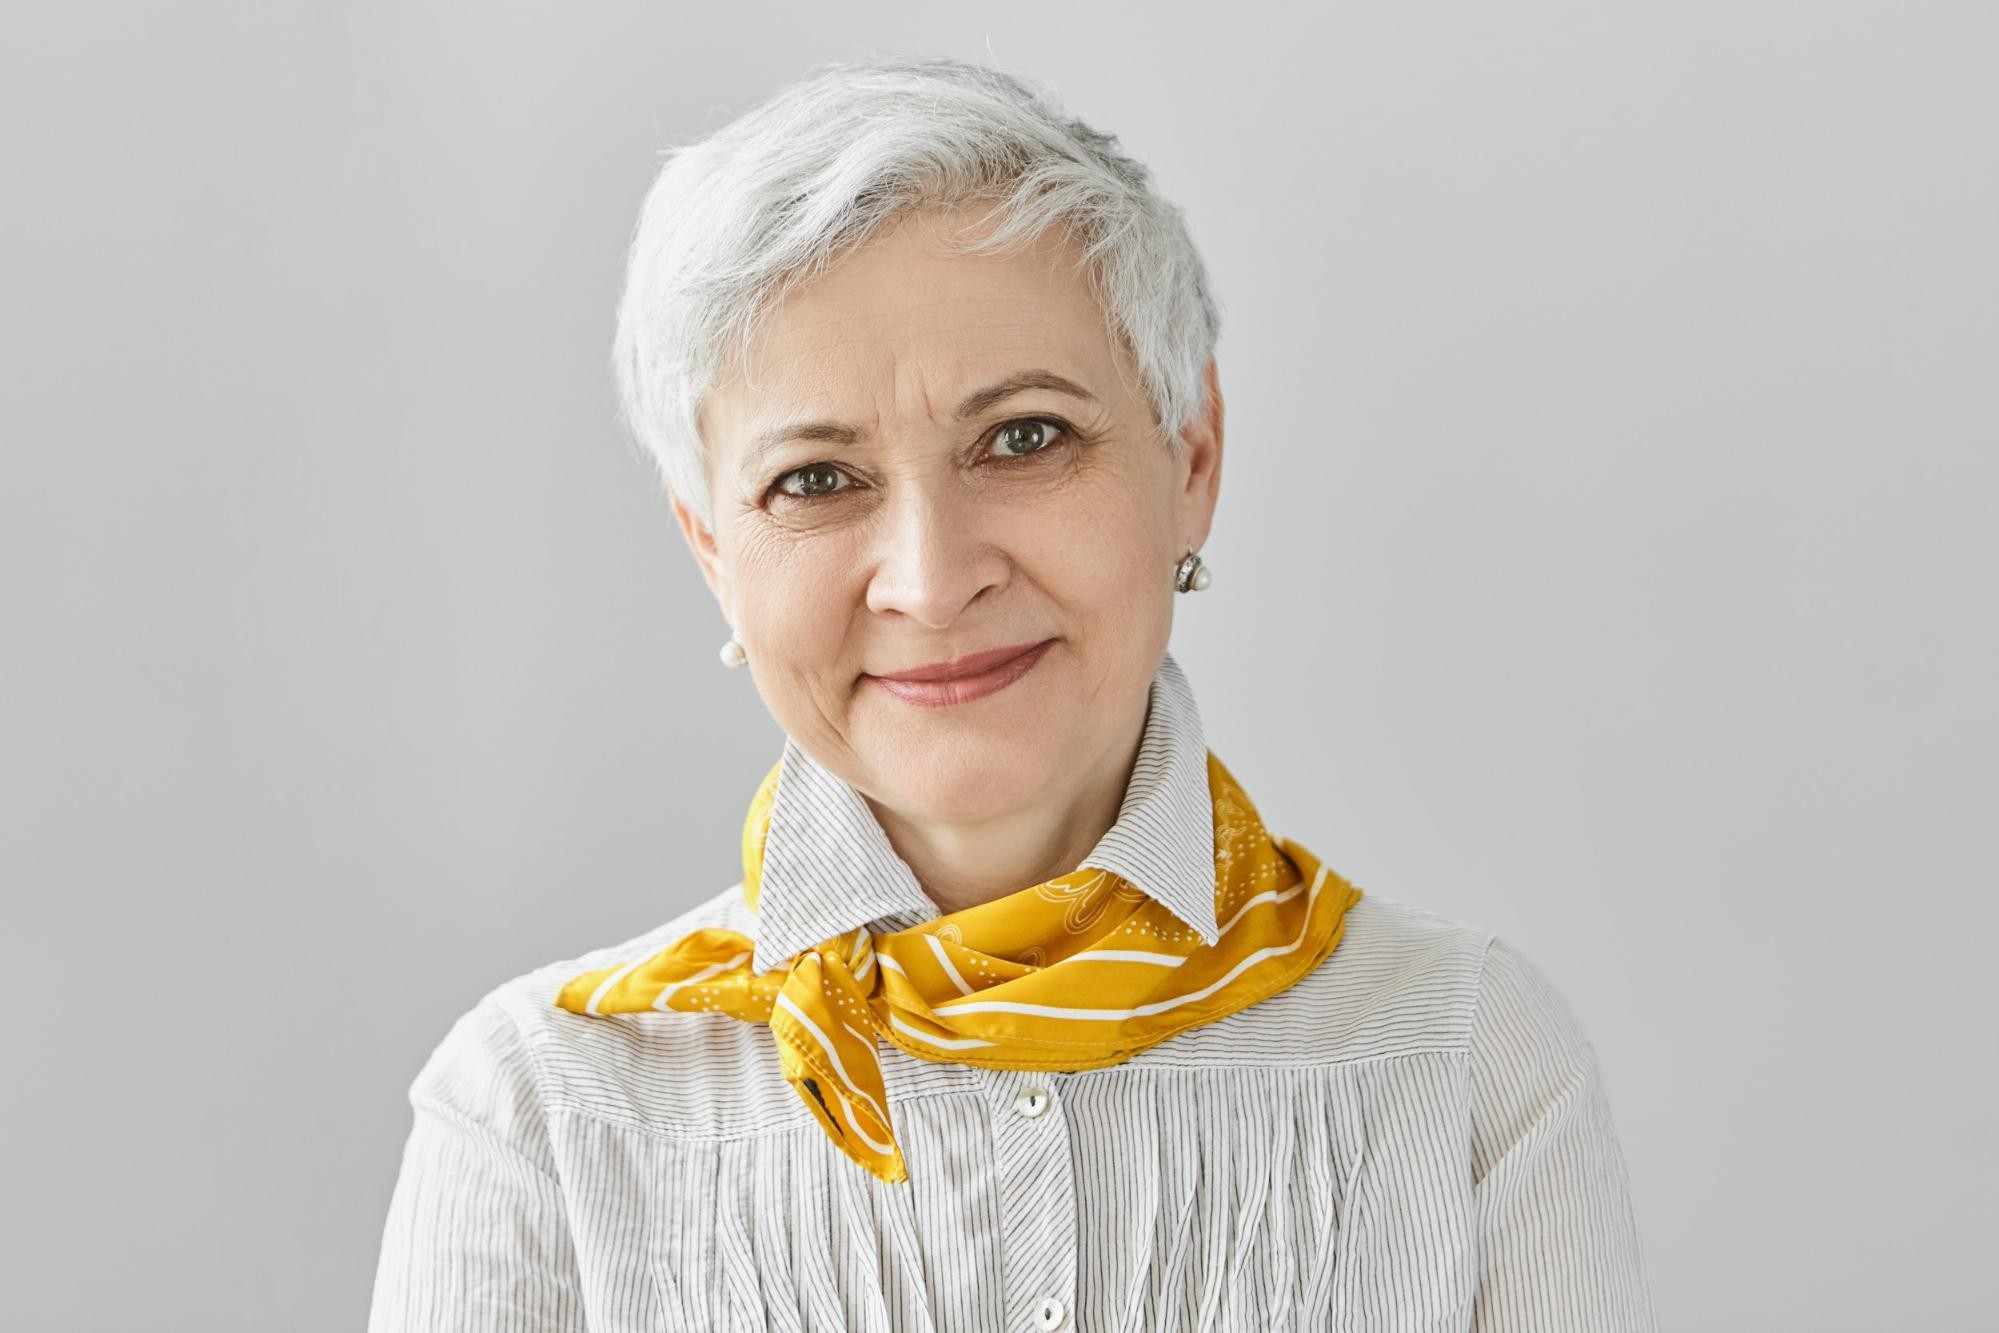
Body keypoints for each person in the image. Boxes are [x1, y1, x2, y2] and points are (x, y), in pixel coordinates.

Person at [368, 54, 1660, 1332]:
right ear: (714, 547)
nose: (931, 581)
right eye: (816, 479)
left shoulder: (1471, 1064)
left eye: (1025, 437)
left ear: (1191, 456)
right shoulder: (539, 1110)